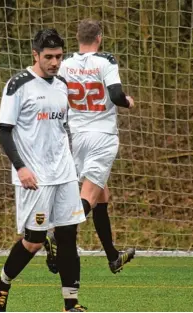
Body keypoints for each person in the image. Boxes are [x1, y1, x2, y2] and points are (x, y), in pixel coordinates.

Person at [0, 29, 87, 312]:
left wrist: (71, 161)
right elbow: (4, 131)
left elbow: (61, 129)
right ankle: (2, 284)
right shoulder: (18, 84)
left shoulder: (62, 85)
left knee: (68, 236)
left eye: (58, 56)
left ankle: (71, 304)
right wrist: (20, 168)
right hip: (34, 177)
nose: (55, 62)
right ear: (35, 55)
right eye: (49, 57)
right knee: (34, 241)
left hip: (64, 173)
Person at [45, 19, 135, 275]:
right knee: (88, 198)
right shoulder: (105, 61)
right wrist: (128, 102)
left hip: (77, 136)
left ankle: (112, 256)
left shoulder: (66, 65)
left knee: (102, 196)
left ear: (77, 38)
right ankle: (53, 233)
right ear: (99, 38)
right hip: (102, 137)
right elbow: (116, 96)